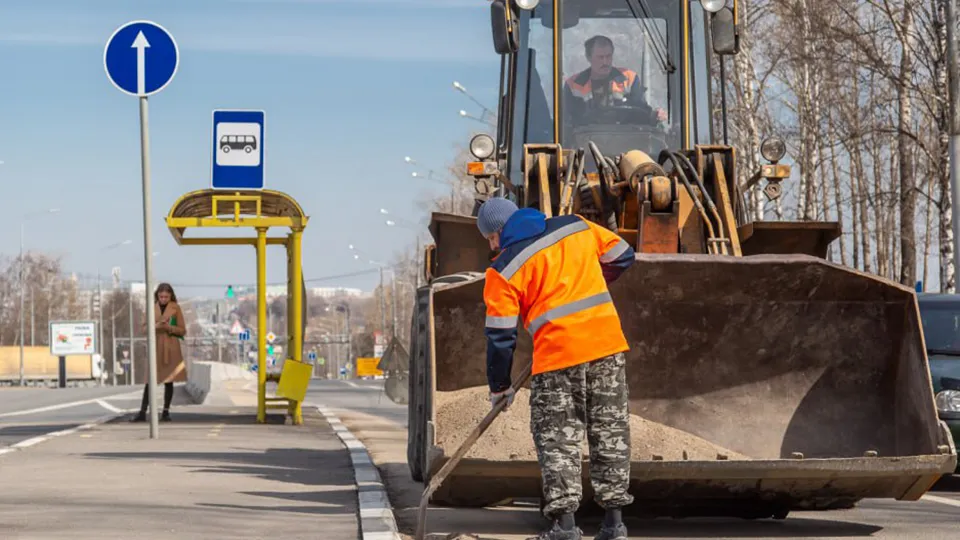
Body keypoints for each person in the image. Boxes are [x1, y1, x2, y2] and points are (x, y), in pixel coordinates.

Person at [478, 197, 636, 540]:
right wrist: (590, 280)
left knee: (558, 439)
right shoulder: (575, 225)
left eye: (490, 238)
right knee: (609, 432)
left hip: (557, 358)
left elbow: (501, 337)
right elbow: (623, 254)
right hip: (607, 347)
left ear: (499, 232)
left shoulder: (503, 269)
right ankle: (614, 525)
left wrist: (500, 386)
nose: (491, 246)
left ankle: (565, 527)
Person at [562, 34, 667, 127]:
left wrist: (655, 115)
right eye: (600, 57)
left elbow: (642, 111)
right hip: (585, 139)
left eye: (608, 56)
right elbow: (566, 122)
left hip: (626, 137)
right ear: (589, 57)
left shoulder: (629, 79)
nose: (605, 62)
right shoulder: (573, 85)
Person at [130, 283, 187, 422]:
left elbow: (182, 330)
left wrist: (169, 328)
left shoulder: (175, 308)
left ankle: (166, 412)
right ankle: (142, 412)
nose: (163, 299)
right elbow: (143, 329)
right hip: (155, 347)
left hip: (170, 347)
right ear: (157, 296)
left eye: (166, 297)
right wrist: (155, 326)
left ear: (170, 296)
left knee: (169, 381)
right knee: (150, 380)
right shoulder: (151, 308)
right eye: (161, 297)